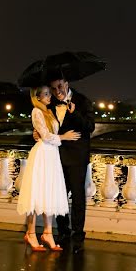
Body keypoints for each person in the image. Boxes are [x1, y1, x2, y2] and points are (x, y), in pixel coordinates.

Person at [17, 85, 81, 251]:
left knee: (49, 192)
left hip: (52, 154)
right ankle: (31, 233)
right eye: (45, 94)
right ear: (37, 97)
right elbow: (45, 136)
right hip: (43, 154)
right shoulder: (36, 111)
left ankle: (47, 232)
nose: (49, 96)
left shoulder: (48, 111)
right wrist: (63, 137)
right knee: (36, 192)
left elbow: (46, 132)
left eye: (48, 93)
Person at [46, 76, 95, 250]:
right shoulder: (49, 103)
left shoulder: (82, 101)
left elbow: (90, 127)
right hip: (56, 155)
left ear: (67, 84)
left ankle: (78, 233)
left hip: (76, 156)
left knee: (78, 196)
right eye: (53, 88)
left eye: (60, 86)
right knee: (59, 195)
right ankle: (63, 230)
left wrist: (75, 114)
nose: (57, 91)